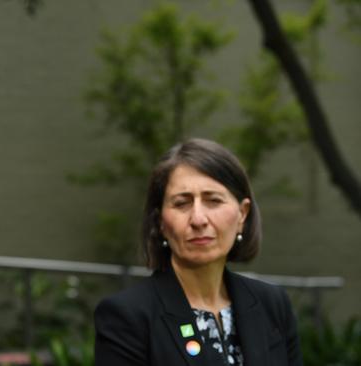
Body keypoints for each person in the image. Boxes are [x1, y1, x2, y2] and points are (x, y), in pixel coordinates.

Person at [94, 138, 303, 366]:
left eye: (213, 200)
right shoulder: (128, 316)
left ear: (242, 214)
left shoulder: (272, 305)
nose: (198, 219)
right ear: (161, 222)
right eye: (182, 203)